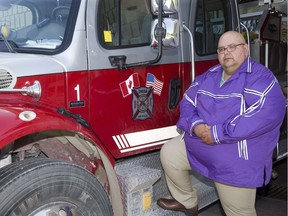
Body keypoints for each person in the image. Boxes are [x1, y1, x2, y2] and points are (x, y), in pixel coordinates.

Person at [157, 31, 286, 216]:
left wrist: (217, 133)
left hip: (234, 157)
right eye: (221, 49)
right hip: (202, 142)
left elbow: (265, 113)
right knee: (170, 153)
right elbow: (187, 101)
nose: (226, 52)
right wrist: (197, 126)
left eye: (232, 47)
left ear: (246, 49)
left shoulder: (261, 78)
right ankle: (187, 201)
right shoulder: (210, 75)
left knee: (239, 212)